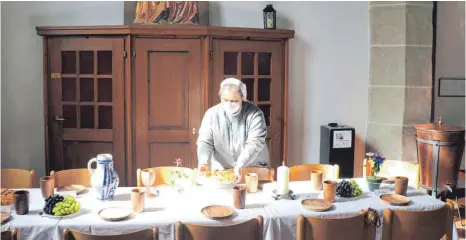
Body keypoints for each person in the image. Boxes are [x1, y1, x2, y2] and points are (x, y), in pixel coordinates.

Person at [197, 78, 270, 181]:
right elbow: (205, 141)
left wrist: (240, 164)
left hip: (252, 168)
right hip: (223, 170)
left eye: (234, 101)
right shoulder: (212, 114)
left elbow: (254, 143)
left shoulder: (255, 114)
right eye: (225, 100)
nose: (229, 104)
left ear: (243, 98)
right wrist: (204, 162)